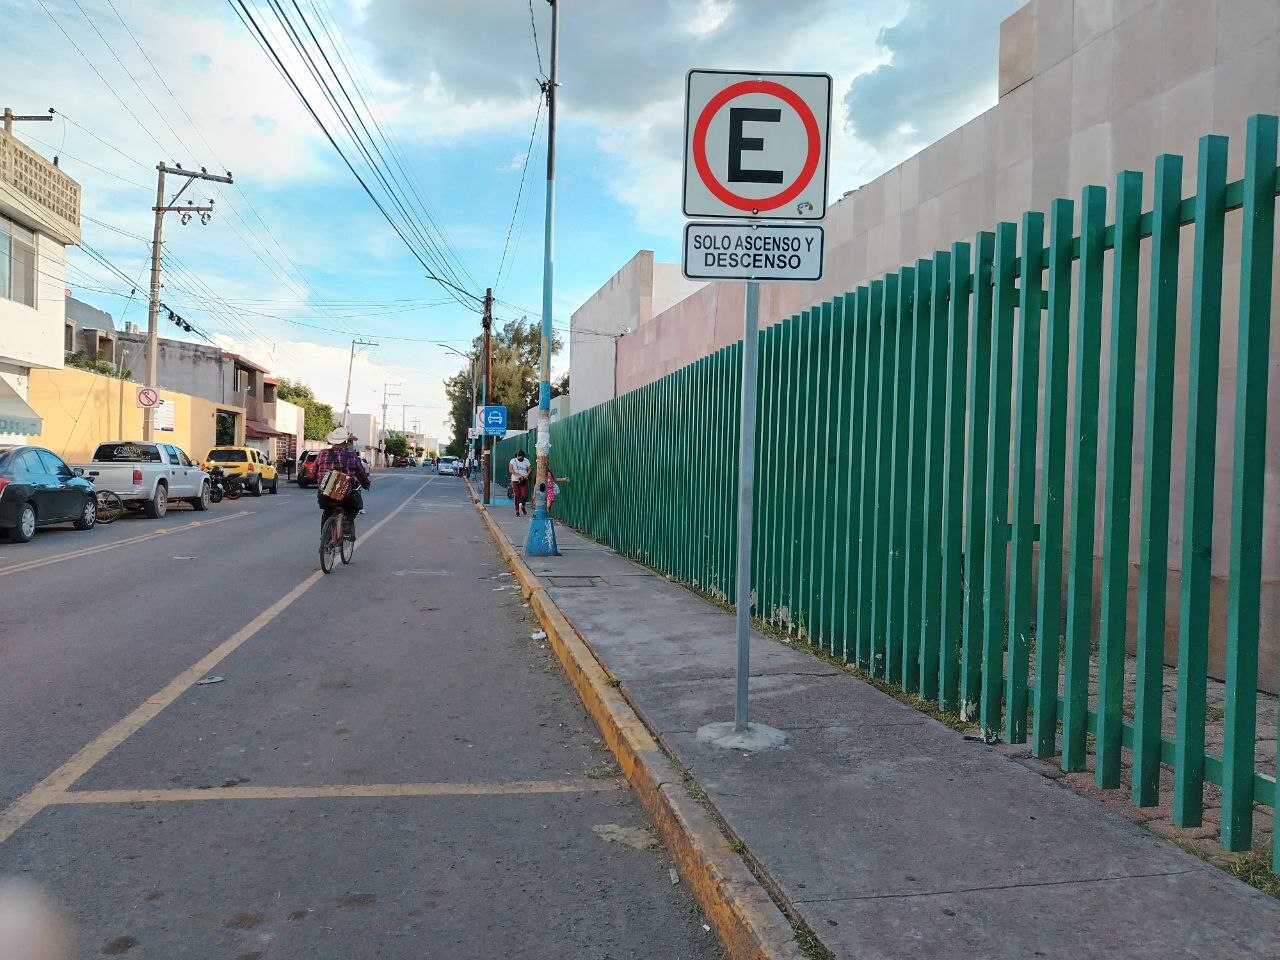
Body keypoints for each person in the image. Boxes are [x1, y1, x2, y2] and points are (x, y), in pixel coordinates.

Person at [315, 428, 372, 541]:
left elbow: (314, 472)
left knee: (327, 511)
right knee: (356, 506)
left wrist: (319, 482)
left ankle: (325, 540)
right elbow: (361, 474)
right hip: (344, 495)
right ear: (345, 442)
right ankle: (346, 525)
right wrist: (366, 484)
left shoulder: (322, 454)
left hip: (325, 493)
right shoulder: (351, 456)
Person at [509, 449, 532, 516]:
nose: (520, 459)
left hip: (524, 479)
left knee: (524, 495)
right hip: (515, 479)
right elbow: (510, 469)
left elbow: (530, 469)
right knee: (517, 495)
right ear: (517, 456)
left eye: (522, 458)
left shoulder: (526, 460)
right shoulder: (513, 461)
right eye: (519, 458)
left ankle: (523, 506)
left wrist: (527, 474)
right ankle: (517, 510)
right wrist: (519, 475)